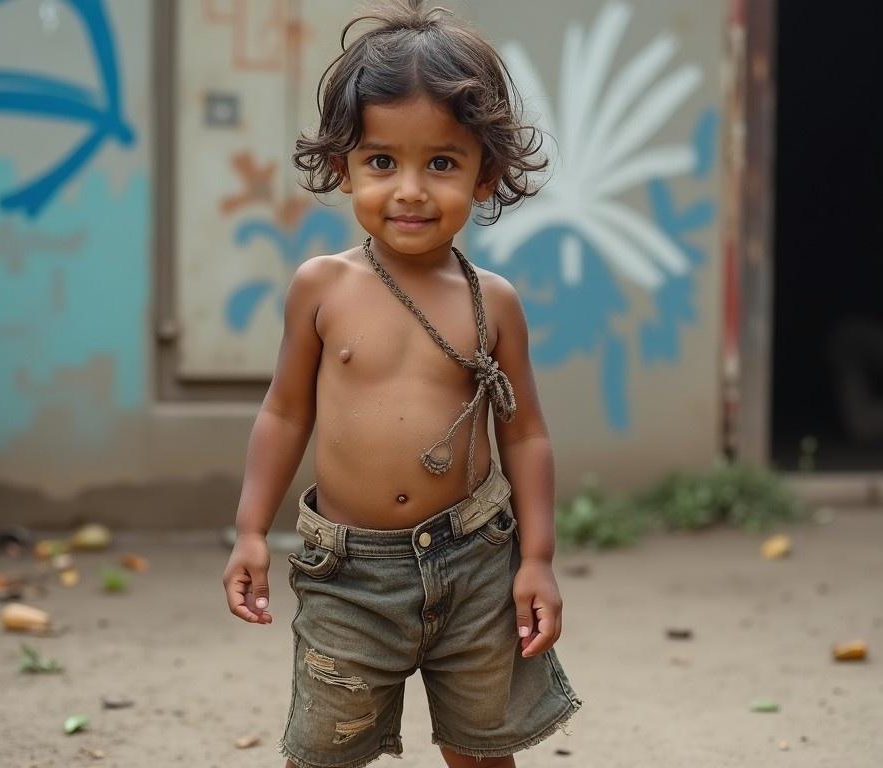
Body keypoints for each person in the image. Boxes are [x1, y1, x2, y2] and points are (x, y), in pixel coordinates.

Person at [223, 2, 582, 766]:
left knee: (484, 749)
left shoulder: (496, 302)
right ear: (344, 164)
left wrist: (538, 558)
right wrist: (251, 528)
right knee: (325, 750)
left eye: (441, 163)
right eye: (382, 162)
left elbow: (526, 432)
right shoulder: (321, 288)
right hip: (352, 574)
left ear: (485, 172)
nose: (410, 189)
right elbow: (285, 414)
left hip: (476, 561)